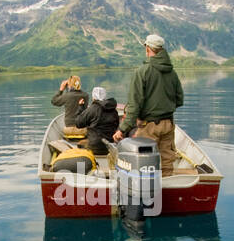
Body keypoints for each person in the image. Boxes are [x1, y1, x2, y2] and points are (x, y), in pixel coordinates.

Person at [113, 34, 183, 174]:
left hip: (149, 126)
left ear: (148, 48)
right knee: (167, 162)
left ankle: (147, 192)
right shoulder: (172, 73)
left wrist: (122, 129)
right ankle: (167, 188)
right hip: (168, 124)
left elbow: (134, 105)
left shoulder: (142, 72)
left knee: (144, 163)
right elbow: (179, 100)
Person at [73, 86, 120, 155]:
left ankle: (81, 166)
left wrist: (81, 107)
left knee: (80, 145)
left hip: (95, 146)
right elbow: (116, 126)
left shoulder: (92, 109)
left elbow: (78, 123)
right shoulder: (113, 110)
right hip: (110, 146)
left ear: (93, 97)